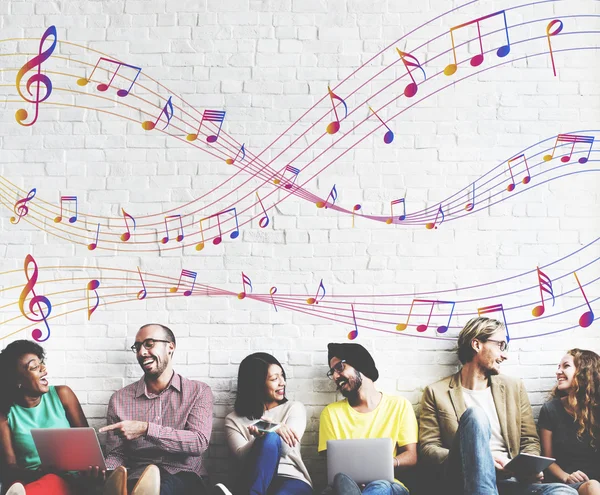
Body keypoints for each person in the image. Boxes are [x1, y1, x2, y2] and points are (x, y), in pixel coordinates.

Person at [419, 316, 578, 495]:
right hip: (465, 482)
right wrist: (480, 458)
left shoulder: (514, 387)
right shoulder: (436, 392)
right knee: (475, 416)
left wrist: (528, 467)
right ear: (477, 345)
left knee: (564, 492)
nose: (505, 355)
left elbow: (529, 440)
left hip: (511, 480)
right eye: (500, 345)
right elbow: (428, 449)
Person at [100, 323, 214, 495]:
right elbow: (117, 453)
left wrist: (146, 429)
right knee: (127, 484)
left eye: (149, 344)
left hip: (184, 476)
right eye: (137, 347)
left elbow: (198, 442)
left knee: (163, 486)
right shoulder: (119, 400)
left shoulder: (198, 391)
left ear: (170, 346)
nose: (141, 352)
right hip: (137, 476)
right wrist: (107, 469)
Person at [0, 339, 107, 495]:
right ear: (18, 381)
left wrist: (94, 470)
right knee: (30, 483)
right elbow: (10, 467)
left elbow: (89, 447)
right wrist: (38, 473)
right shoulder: (5, 413)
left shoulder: (62, 394)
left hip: (73, 479)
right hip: (30, 478)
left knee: (58, 481)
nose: (44, 369)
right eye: (34, 367)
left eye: (41, 363)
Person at [318, 343, 417, 495]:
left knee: (379, 486)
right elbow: (332, 467)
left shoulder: (399, 405)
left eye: (340, 367)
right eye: (332, 372)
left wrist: (389, 463)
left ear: (360, 365)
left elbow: (411, 456)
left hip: (389, 485)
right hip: (346, 485)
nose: (335, 376)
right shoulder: (331, 413)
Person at [215, 352, 313, 495]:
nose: (282, 382)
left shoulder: (294, 408)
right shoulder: (233, 419)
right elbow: (241, 457)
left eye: (282, 375)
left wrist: (272, 427)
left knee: (271, 437)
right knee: (270, 437)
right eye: (274, 379)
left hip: (290, 479)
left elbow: (286, 449)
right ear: (257, 384)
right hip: (254, 478)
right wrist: (261, 437)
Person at [539, 349, 600, 495]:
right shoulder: (550, 410)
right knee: (592, 486)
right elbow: (547, 460)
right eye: (558, 367)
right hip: (567, 484)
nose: (558, 372)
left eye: (565, 366)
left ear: (584, 372)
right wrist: (567, 476)